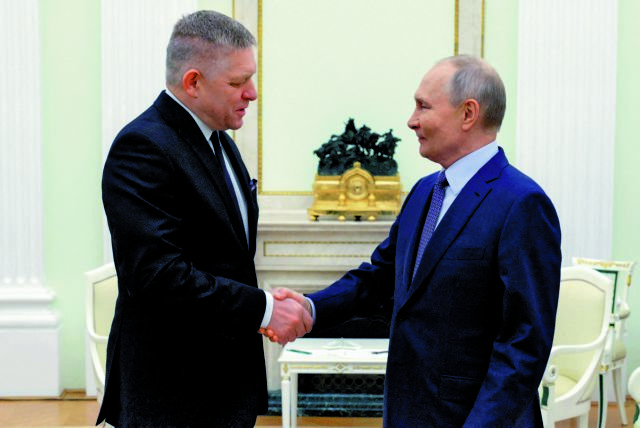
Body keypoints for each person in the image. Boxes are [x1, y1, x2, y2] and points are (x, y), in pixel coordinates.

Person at [271, 55, 562, 427]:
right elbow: (379, 278)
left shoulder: (522, 204)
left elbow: (524, 345)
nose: (411, 121)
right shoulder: (424, 192)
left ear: (468, 113)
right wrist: (311, 308)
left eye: (423, 106)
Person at [99, 10, 311, 427]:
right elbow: (157, 276)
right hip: (171, 391)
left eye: (251, 78)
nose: (252, 93)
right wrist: (265, 309)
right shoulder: (143, 146)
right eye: (237, 82)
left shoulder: (220, 140)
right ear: (193, 82)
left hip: (223, 385)